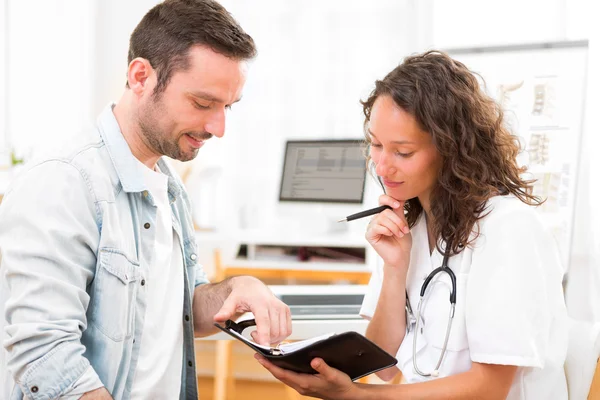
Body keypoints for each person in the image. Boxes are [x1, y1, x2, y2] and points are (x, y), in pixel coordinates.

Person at [0, 1, 292, 399]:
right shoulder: (65, 182)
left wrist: (238, 288)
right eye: (203, 103)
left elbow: (179, 311)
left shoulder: (168, 186)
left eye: (227, 107)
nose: (218, 127)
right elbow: (44, 352)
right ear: (141, 76)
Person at [256, 50, 568, 399]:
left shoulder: (507, 228)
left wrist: (355, 396)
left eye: (403, 152)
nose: (382, 167)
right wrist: (394, 269)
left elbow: (488, 388)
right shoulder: (409, 225)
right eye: (375, 145)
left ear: (452, 150)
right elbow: (383, 365)